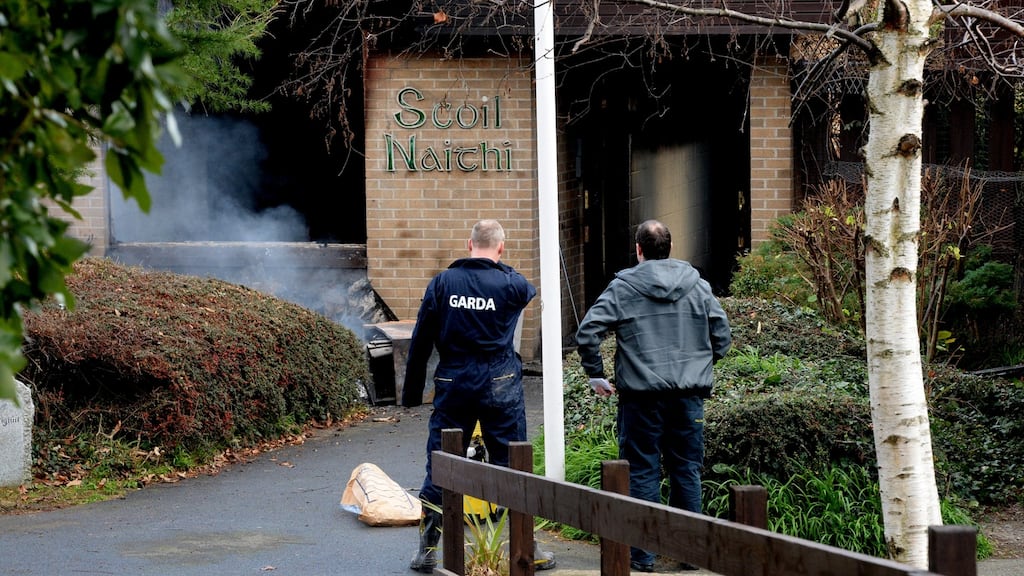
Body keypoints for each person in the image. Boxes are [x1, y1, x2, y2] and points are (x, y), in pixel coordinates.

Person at [575, 219, 732, 573]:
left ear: (638, 250)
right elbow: (722, 336)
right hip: (688, 396)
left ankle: (642, 556)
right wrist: (699, 364)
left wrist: (596, 375)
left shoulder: (623, 287)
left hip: (640, 399)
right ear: (670, 248)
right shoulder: (697, 285)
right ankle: (689, 553)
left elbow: (588, 333)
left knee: (642, 471)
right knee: (686, 470)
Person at [401, 219, 555, 573]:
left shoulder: (442, 283)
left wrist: (411, 394)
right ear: (501, 248)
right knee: (513, 463)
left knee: (441, 462)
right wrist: (496, 268)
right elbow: (527, 288)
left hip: (454, 381)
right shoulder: (510, 284)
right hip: (500, 380)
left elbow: (421, 339)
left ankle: (427, 549)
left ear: (468, 245)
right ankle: (527, 547)